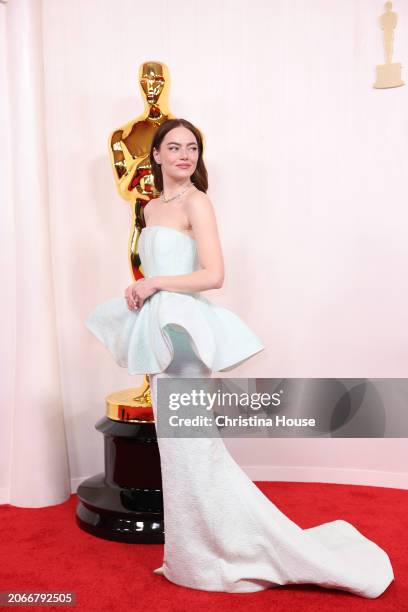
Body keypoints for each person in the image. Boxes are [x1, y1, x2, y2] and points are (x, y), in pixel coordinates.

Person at [85, 118, 394, 597]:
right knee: (178, 449)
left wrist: (156, 282)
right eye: (175, 147)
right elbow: (162, 269)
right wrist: (141, 288)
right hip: (159, 331)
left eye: (193, 147)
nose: (185, 154)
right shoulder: (149, 208)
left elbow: (214, 275)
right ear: (159, 156)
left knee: (195, 448)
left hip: (185, 337)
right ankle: (193, 556)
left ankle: (222, 553)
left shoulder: (197, 202)